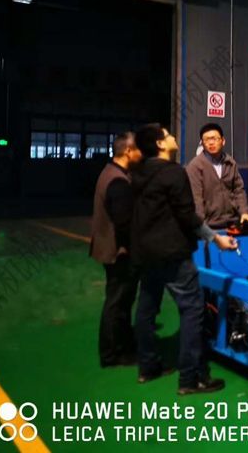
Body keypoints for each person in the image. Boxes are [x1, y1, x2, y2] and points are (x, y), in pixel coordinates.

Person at [130, 123, 237, 395]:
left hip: (146, 252)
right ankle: (191, 378)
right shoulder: (174, 172)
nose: (173, 136)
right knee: (192, 310)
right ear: (160, 144)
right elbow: (188, 216)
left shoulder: (138, 173)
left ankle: (148, 367)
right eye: (167, 135)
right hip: (172, 254)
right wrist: (216, 238)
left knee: (146, 308)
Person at [90, 132, 142, 367]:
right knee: (117, 303)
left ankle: (120, 346)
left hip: (112, 249)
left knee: (119, 301)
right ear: (128, 151)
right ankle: (112, 353)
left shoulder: (111, 172)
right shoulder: (118, 181)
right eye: (138, 149)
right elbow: (124, 223)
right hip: (119, 252)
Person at [186, 123, 248, 229]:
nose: (211, 142)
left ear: (223, 141)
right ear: (202, 143)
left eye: (214, 138)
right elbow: (196, 200)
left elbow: (238, 191)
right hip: (208, 226)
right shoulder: (195, 166)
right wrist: (201, 228)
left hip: (232, 223)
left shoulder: (230, 163)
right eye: (206, 140)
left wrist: (244, 213)